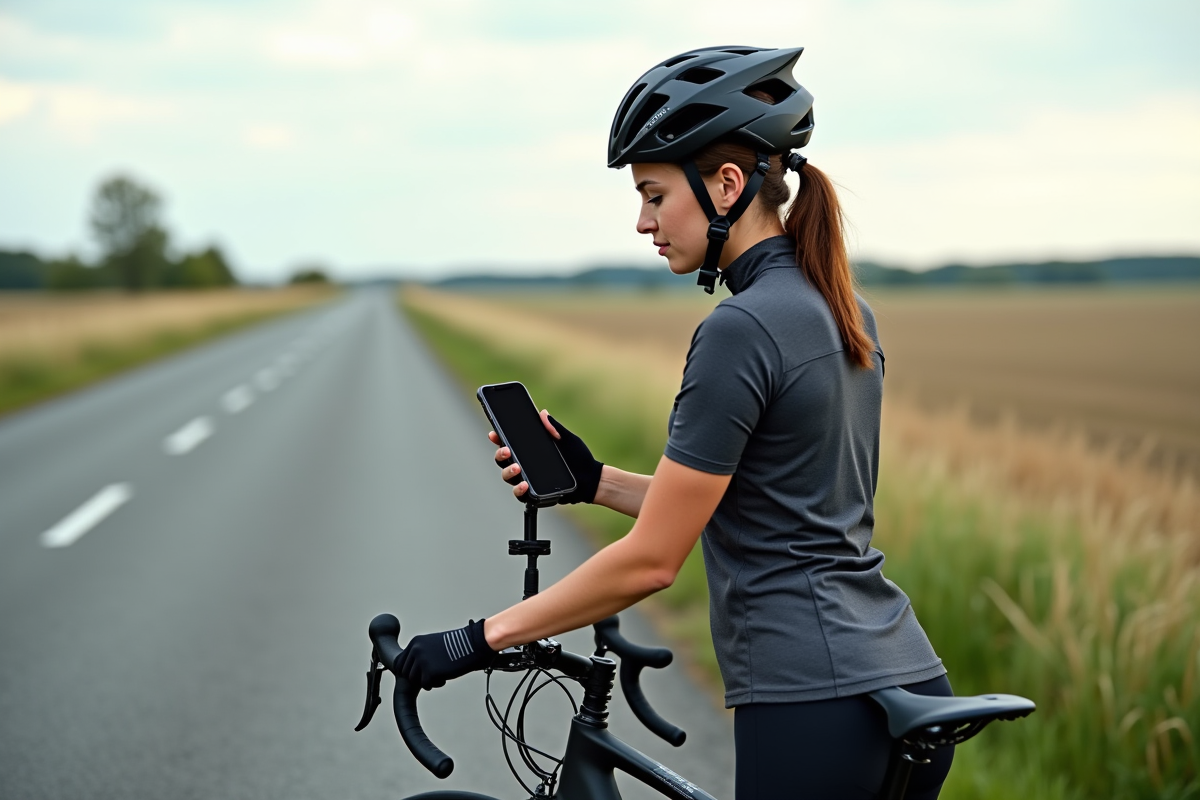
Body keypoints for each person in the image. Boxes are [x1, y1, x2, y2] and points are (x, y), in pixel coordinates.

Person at [397, 46, 954, 799]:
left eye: (655, 195)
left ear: (727, 184)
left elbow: (651, 562)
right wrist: (593, 482)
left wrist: (475, 639)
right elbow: (764, 503)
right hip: (904, 681)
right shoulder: (844, 309)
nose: (641, 221)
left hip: (809, 699)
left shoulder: (742, 328)